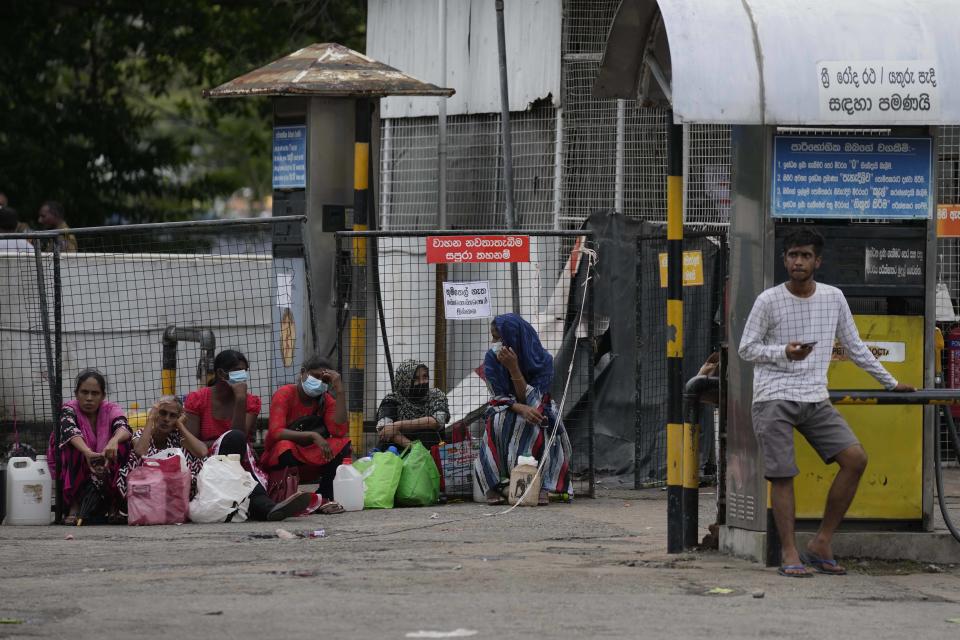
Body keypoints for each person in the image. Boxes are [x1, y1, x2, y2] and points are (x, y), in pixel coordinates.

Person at [738, 227, 915, 578]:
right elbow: (747, 348)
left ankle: (821, 542)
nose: (798, 261)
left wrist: (892, 383)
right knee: (783, 474)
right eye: (792, 255)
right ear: (784, 259)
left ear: (817, 261)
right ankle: (789, 552)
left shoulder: (833, 297)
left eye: (805, 255)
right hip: (774, 396)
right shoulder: (768, 300)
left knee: (855, 459)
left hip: (815, 398)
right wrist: (784, 352)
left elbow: (855, 346)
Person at [184, 349, 310, 521]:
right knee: (233, 440)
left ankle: (270, 510)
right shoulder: (198, 399)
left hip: (239, 461)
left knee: (241, 469)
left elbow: (241, 438)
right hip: (206, 462)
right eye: (239, 371)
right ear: (221, 374)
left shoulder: (250, 402)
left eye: (245, 371)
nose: (243, 376)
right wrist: (220, 443)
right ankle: (269, 508)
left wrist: (240, 399)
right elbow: (192, 443)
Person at [474, 313, 573, 506]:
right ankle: (496, 484)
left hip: (538, 405)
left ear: (514, 338)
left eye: (498, 338)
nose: (494, 343)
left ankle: (542, 484)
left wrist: (514, 369)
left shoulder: (543, 361)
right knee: (498, 422)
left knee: (539, 424)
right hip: (506, 407)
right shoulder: (492, 359)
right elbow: (499, 397)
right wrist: (519, 408)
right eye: (493, 337)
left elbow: (535, 399)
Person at [47, 369, 132, 525]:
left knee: (123, 445)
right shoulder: (69, 409)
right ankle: (74, 505)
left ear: (103, 396)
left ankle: (114, 505)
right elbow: (69, 430)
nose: (89, 398)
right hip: (80, 464)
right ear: (76, 393)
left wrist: (114, 441)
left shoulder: (111, 409)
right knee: (71, 446)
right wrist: (86, 452)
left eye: (95, 393)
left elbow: (123, 426)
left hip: (104, 462)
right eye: (84, 392)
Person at [261, 355, 351, 502]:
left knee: (342, 444)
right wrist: (312, 436)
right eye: (315, 376)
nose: (320, 383)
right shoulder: (285, 393)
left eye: (325, 380)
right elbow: (276, 432)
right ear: (303, 372)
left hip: (311, 456)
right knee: (285, 445)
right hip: (280, 456)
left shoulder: (326, 400)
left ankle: (326, 495)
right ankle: (286, 494)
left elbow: (339, 432)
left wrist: (340, 391)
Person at [117, 396, 208, 500]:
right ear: (156, 414)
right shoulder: (141, 434)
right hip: (147, 491)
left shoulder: (178, 438)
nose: (166, 419)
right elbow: (140, 451)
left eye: (172, 416)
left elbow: (202, 452)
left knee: (197, 460)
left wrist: (180, 426)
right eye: (163, 413)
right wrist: (150, 418)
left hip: (174, 491)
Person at [376, 359, 450, 450]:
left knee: (428, 434)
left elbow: (437, 421)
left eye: (425, 377)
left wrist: (397, 425)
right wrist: (414, 448)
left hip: (430, 453)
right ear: (405, 381)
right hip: (399, 451)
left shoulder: (436, 396)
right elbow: (384, 430)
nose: (422, 382)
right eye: (416, 379)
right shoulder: (391, 400)